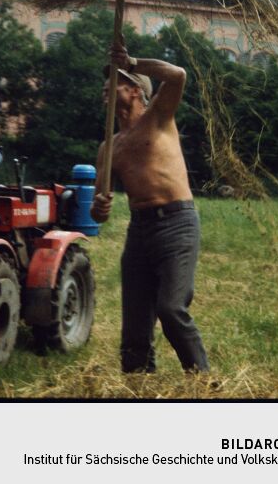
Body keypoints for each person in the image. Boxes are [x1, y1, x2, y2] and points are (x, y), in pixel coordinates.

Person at [90, 39, 209, 374]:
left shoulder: (159, 118)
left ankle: (202, 382)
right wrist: (99, 208)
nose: (105, 88)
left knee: (171, 309)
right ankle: (138, 389)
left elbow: (178, 75)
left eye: (115, 82)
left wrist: (133, 61)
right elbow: (97, 208)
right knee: (134, 330)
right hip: (139, 231)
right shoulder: (109, 147)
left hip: (177, 223)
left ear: (136, 91)